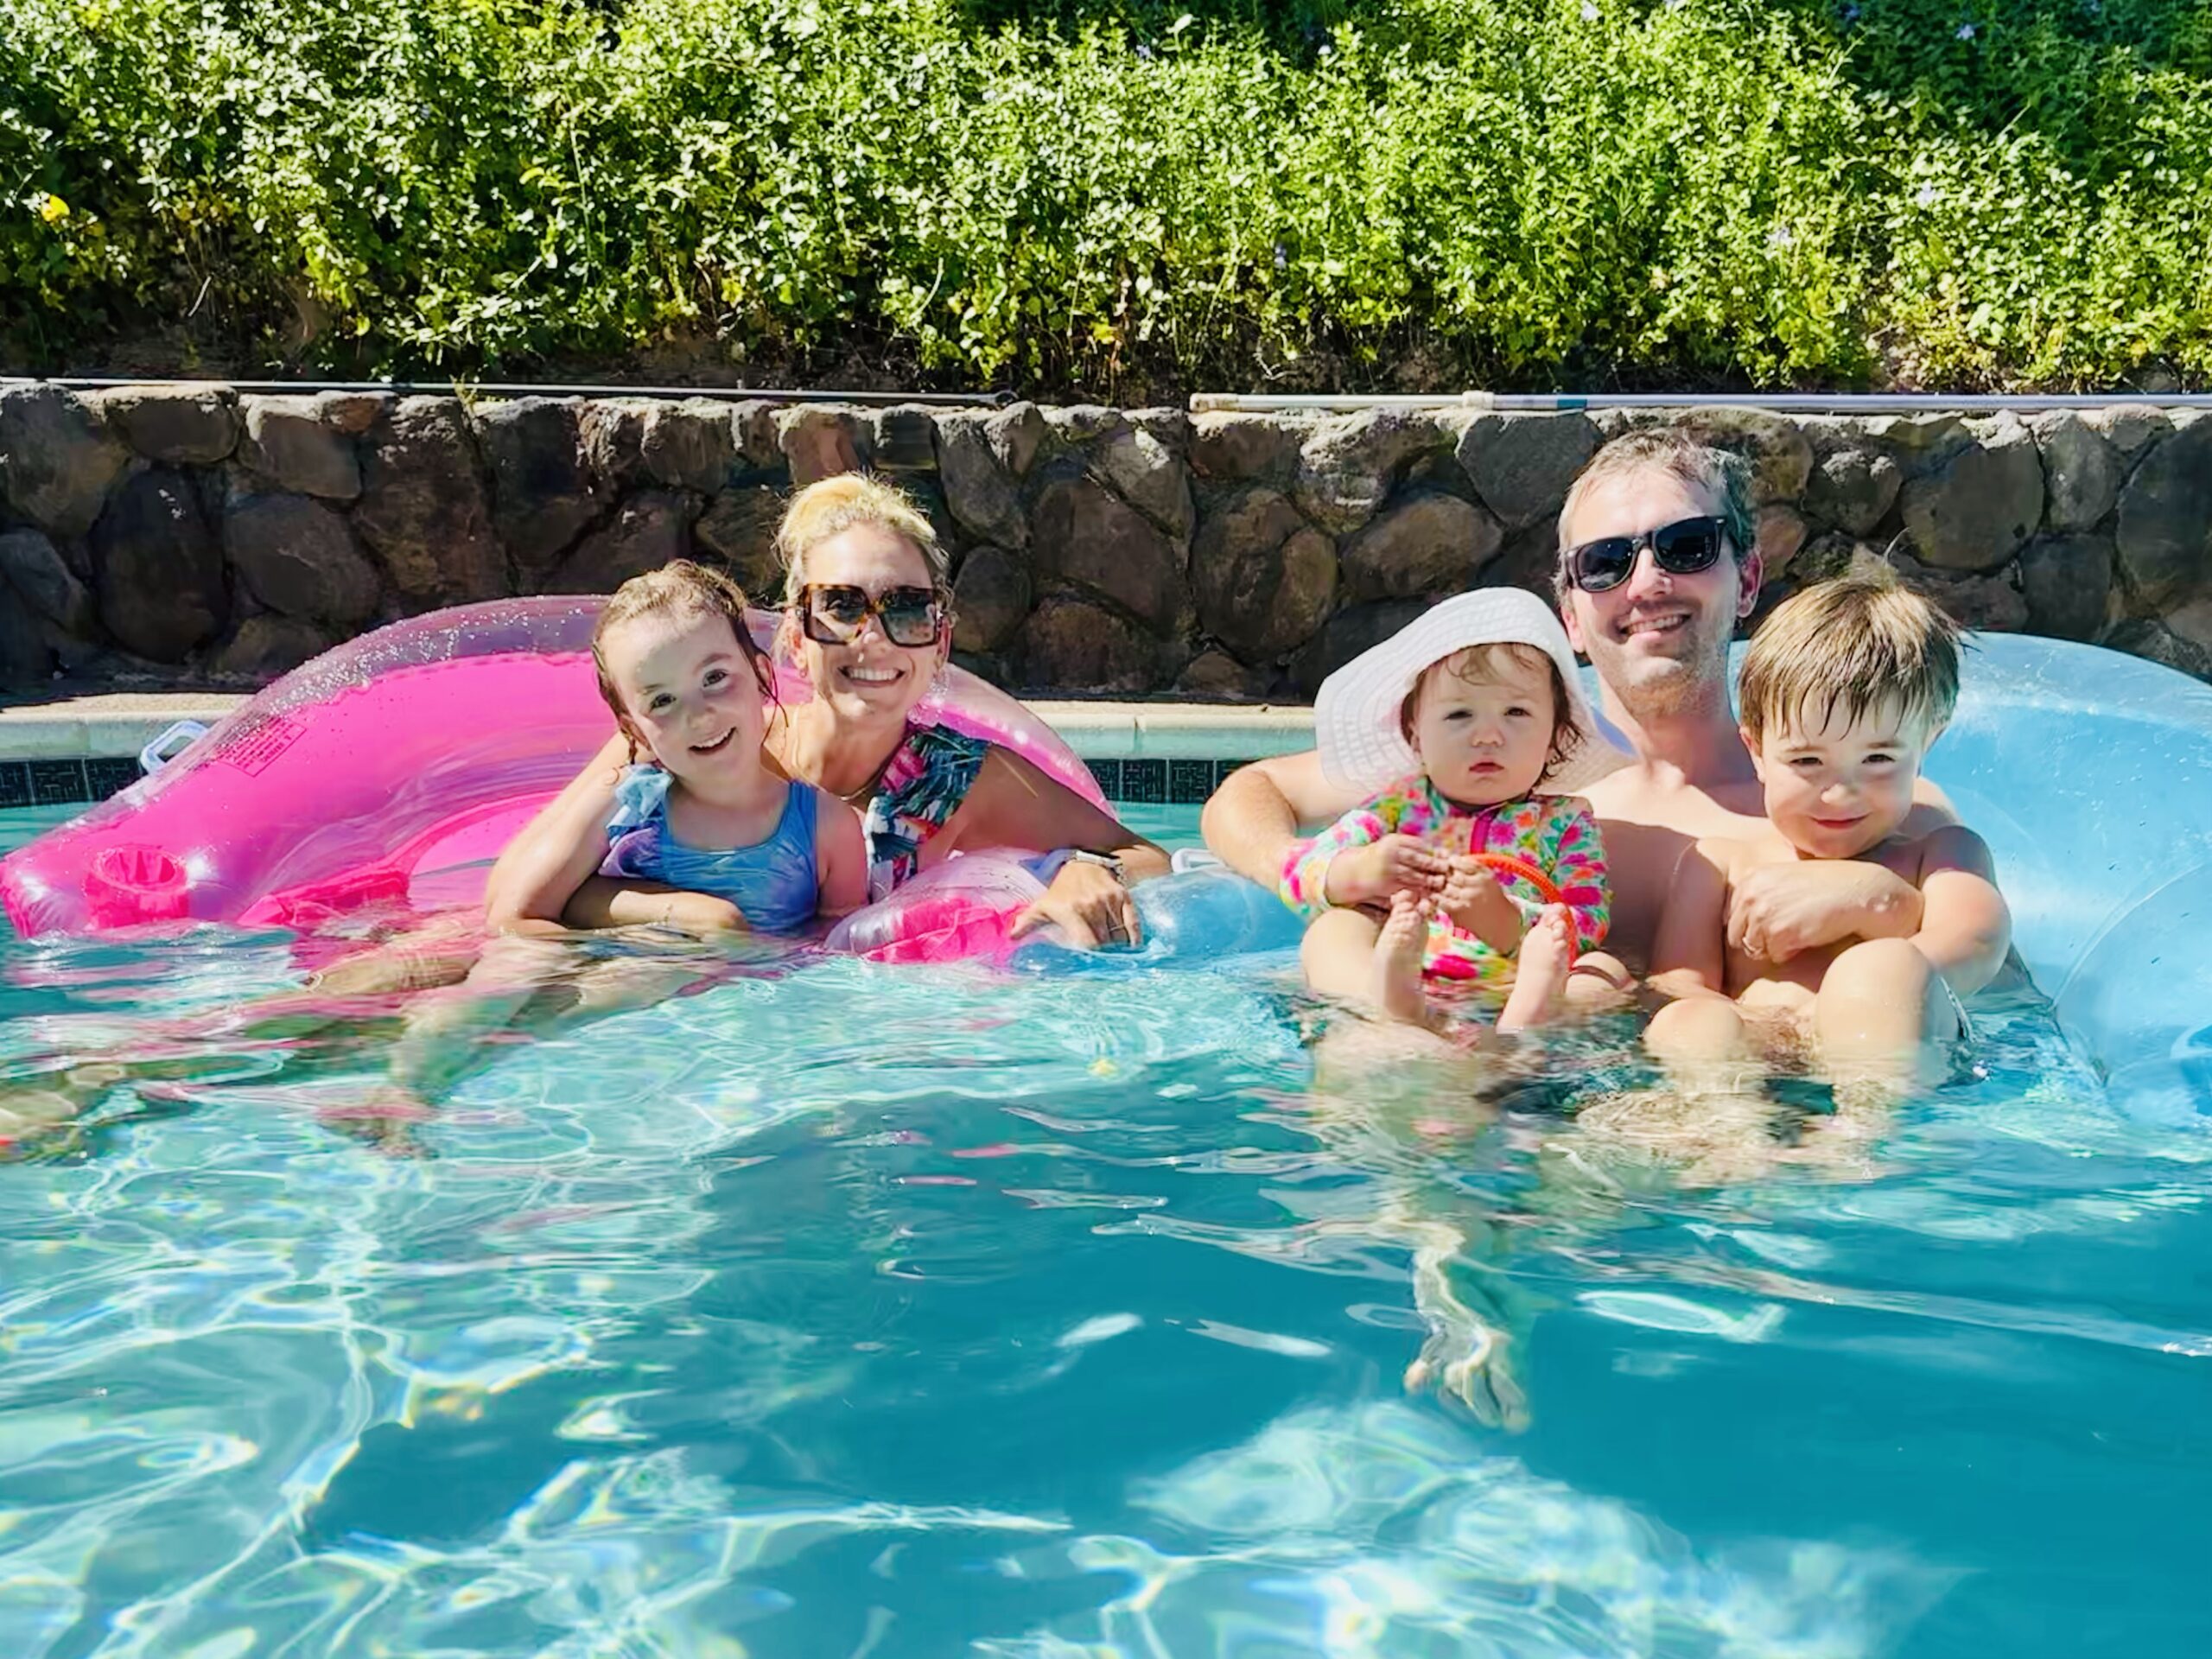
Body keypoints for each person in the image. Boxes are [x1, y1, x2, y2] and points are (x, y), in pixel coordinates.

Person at [1203, 427, 1965, 980]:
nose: (1646, 585)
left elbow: (1966, 981)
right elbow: (1252, 791)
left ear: (1750, 578)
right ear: (1570, 614)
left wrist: (1878, 896)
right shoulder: (1505, 759)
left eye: (1687, 547)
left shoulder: (1848, 801)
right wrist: (1319, 873)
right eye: (1605, 564)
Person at [489, 473, 1167, 946]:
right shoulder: (703, 728)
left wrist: (1075, 870)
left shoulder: (965, 779)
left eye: (907, 608)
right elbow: (509, 905)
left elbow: (1148, 856)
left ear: (941, 643)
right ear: (791, 634)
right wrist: (687, 915)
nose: (872, 637)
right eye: (842, 606)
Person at [1643, 569, 2010, 1087]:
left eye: (1879, 757)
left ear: (1926, 744)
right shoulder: (1720, 865)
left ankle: (1858, 1143)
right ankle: (1731, 1138)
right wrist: (1749, 1027)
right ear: (1758, 752)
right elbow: (1678, 983)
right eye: (1809, 761)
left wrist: (1873, 900)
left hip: (1893, 1069)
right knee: (1688, 1023)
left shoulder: (1942, 856)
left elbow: (1977, 944)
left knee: (1882, 968)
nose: (1840, 793)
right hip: (1759, 1068)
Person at [1282, 589, 1619, 1032]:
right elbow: (1298, 872)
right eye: (1459, 715)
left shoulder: (1564, 821)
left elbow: (1589, 917)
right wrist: (1359, 870)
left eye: (1516, 712)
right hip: (1405, 963)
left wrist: (1506, 919)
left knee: (1605, 973)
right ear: (1415, 734)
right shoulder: (1397, 809)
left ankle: (1526, 1018)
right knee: (1333, 932)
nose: (1487, 736)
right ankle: (1383, 998)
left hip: (1512, 981)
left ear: (1554, 735)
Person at [522, 560, 868, 936]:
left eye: (715, 678)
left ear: (762, 676)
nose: (699, 717)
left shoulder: (827, 828)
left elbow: (839, 957)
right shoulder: (625, 806)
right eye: (663, 701)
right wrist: (685, 912)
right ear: (634, 729)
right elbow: (519, 919)